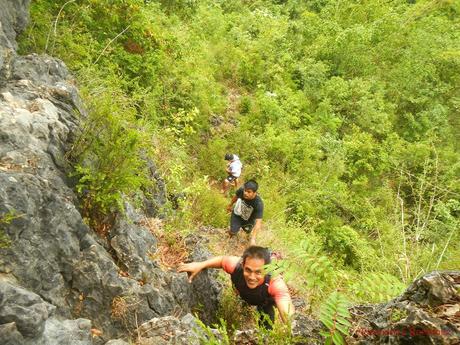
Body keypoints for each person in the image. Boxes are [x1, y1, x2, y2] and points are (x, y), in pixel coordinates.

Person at [178, 246, 294, 329]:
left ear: (267, 270)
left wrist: (291, 326)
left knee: (266, 328)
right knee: (242, 296)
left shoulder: (275, 283)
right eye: (248, 270)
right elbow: (222, 260)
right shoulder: (236, 265)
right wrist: (200, 264)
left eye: (258, 272)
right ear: (242, 264)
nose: (252, 277)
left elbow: (289, 315)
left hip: (264, 301)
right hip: (242, 293)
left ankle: (274, 257)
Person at [227, 180, 263, 246]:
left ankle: (247, 240)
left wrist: (253, 239)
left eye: (249, 192)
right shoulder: (241, 190)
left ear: (255, 193)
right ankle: (229, 237)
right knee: (233, 231)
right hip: (237, 214)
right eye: (245, 190)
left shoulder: (258, 203)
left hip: (249, 220)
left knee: (248, 232)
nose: (245, 193)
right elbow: (236, 197)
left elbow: (258, 222)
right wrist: (230, 205)